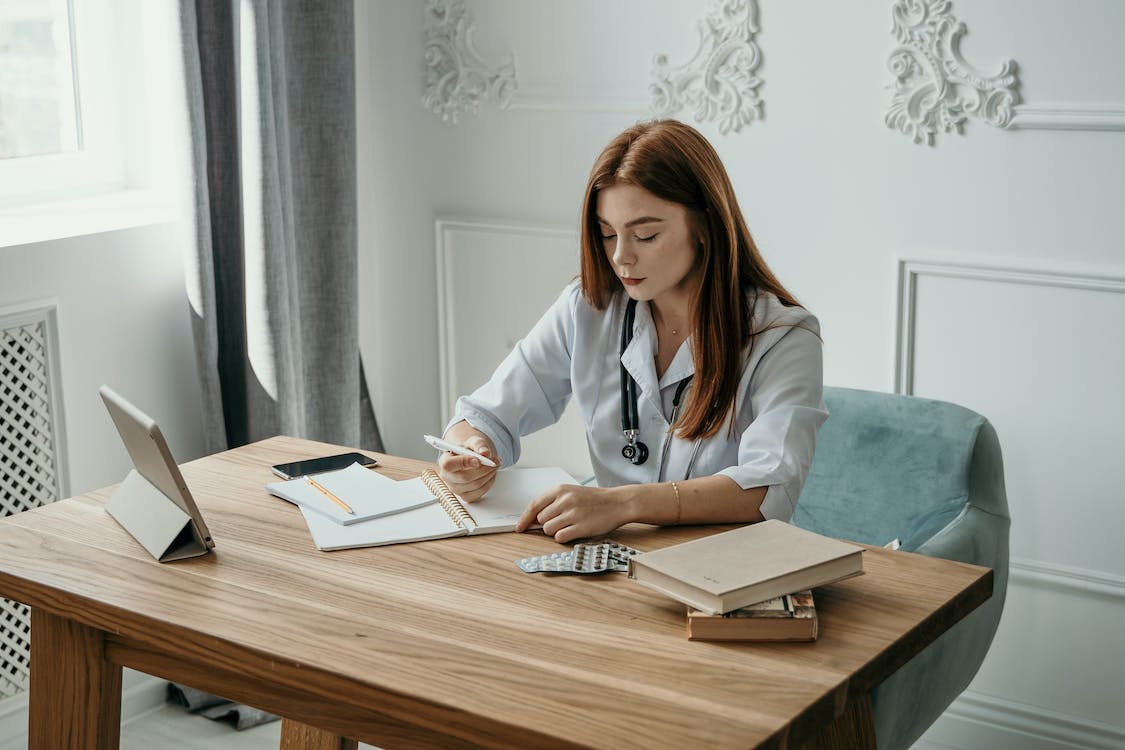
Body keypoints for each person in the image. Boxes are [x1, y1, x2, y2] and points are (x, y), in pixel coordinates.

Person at [436, 119, 826, 544]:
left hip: (720, 571)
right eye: (607, 234)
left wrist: (624, 504)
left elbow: (770, 487)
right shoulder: (588, 308)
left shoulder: (784, 337)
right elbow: (484, 414)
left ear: (704, 225)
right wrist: (470, 452)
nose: (621, 257)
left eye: (645, 235)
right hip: (611, 562)